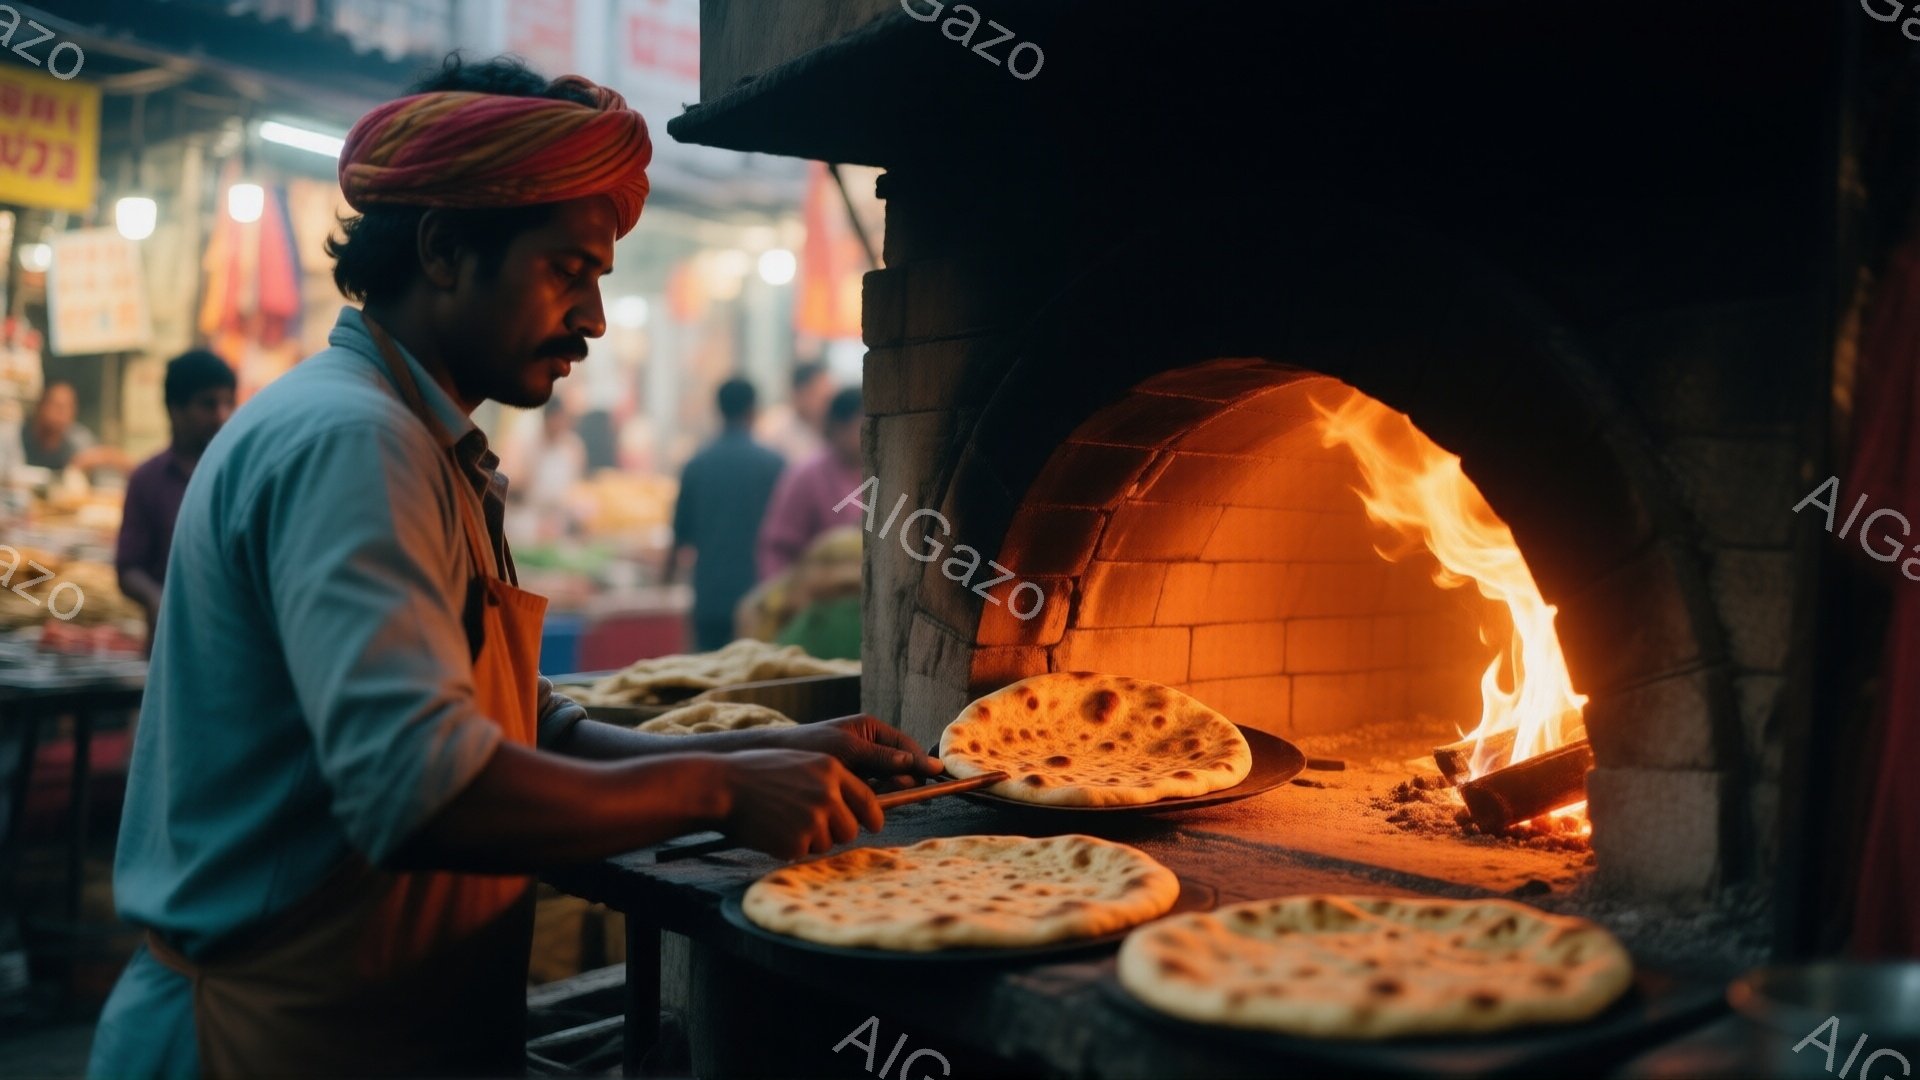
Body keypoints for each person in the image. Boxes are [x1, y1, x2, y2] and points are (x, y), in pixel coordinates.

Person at [88, 57, 938, 1080]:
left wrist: (775, 749)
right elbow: (422, 790)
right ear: (445, 249)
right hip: (267, 1039)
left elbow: (518, 724)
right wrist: (719, 789)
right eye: (567, 270)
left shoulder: (423, 442)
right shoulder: (354, 441)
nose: (594, 319)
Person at [114, 350, 236, 650]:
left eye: (228, 403)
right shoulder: (148, 479)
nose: (222, 416)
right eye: (208, 404)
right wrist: (156, 599)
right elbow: (128, 567)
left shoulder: (240, 474)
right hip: (169, 641)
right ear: (174, 408)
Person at [666, 378, 785, 650]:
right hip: (760, 596)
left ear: (718, 410)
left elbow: (679, 534)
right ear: (754, 410)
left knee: (710, 679)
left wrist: (666, 578)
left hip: (710, 596)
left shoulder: (696, 465)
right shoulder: (774, 465)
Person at [758, 386, 866, 580]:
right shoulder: (807, 477)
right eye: (860, 426)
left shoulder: (884, 475)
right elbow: (778, 548)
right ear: (838, 428)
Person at [20, 381, 131, 473]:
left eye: (69, 407)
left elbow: (110, 457)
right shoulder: (16, 437)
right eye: (57, 406)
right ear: (41, 406)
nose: (62, 413)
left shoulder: (77, 438)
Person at [756, 360, 833, 463]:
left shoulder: (833, 429)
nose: (827, 403)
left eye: (829, 396)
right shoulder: (774, 427)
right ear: (799, 393)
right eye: (821, 396)